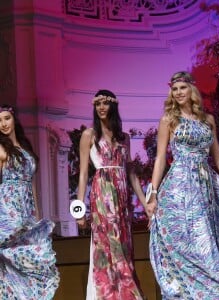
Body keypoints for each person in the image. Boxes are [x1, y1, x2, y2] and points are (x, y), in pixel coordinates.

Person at [147, 71, 219, 299]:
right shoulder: (168, 120)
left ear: (192, 89)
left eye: (182, 87)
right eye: (175, 89)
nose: (179, 92)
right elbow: (160, 158)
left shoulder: (207, 120)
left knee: (207, 237)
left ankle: (211, 291)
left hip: (205, 186)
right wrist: (152, 192)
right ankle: (195, 292)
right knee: (187, 239)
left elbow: (218, 157)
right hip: (180, 186)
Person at [76, 89, 150, 300]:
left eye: (105, 103)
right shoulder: (89, 135)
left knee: (124, 245)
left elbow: (131, 173)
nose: (101, 107)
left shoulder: (123, 137)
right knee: (107, 245)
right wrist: (79, 209)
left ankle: (124, 292)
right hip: (102, 195)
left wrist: (145, 205)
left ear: (113, 106)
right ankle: (110, 294)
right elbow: (82, 173)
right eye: (97, 103)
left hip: (122, 197)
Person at [0, 104, 59, 299]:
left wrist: (37, 215)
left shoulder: (25, 147)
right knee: (11, 257)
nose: (3, 124)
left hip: (27, 211)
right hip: (9, 209)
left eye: (6, 118)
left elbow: (32, 184)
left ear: (13, 119)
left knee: (31, 254)